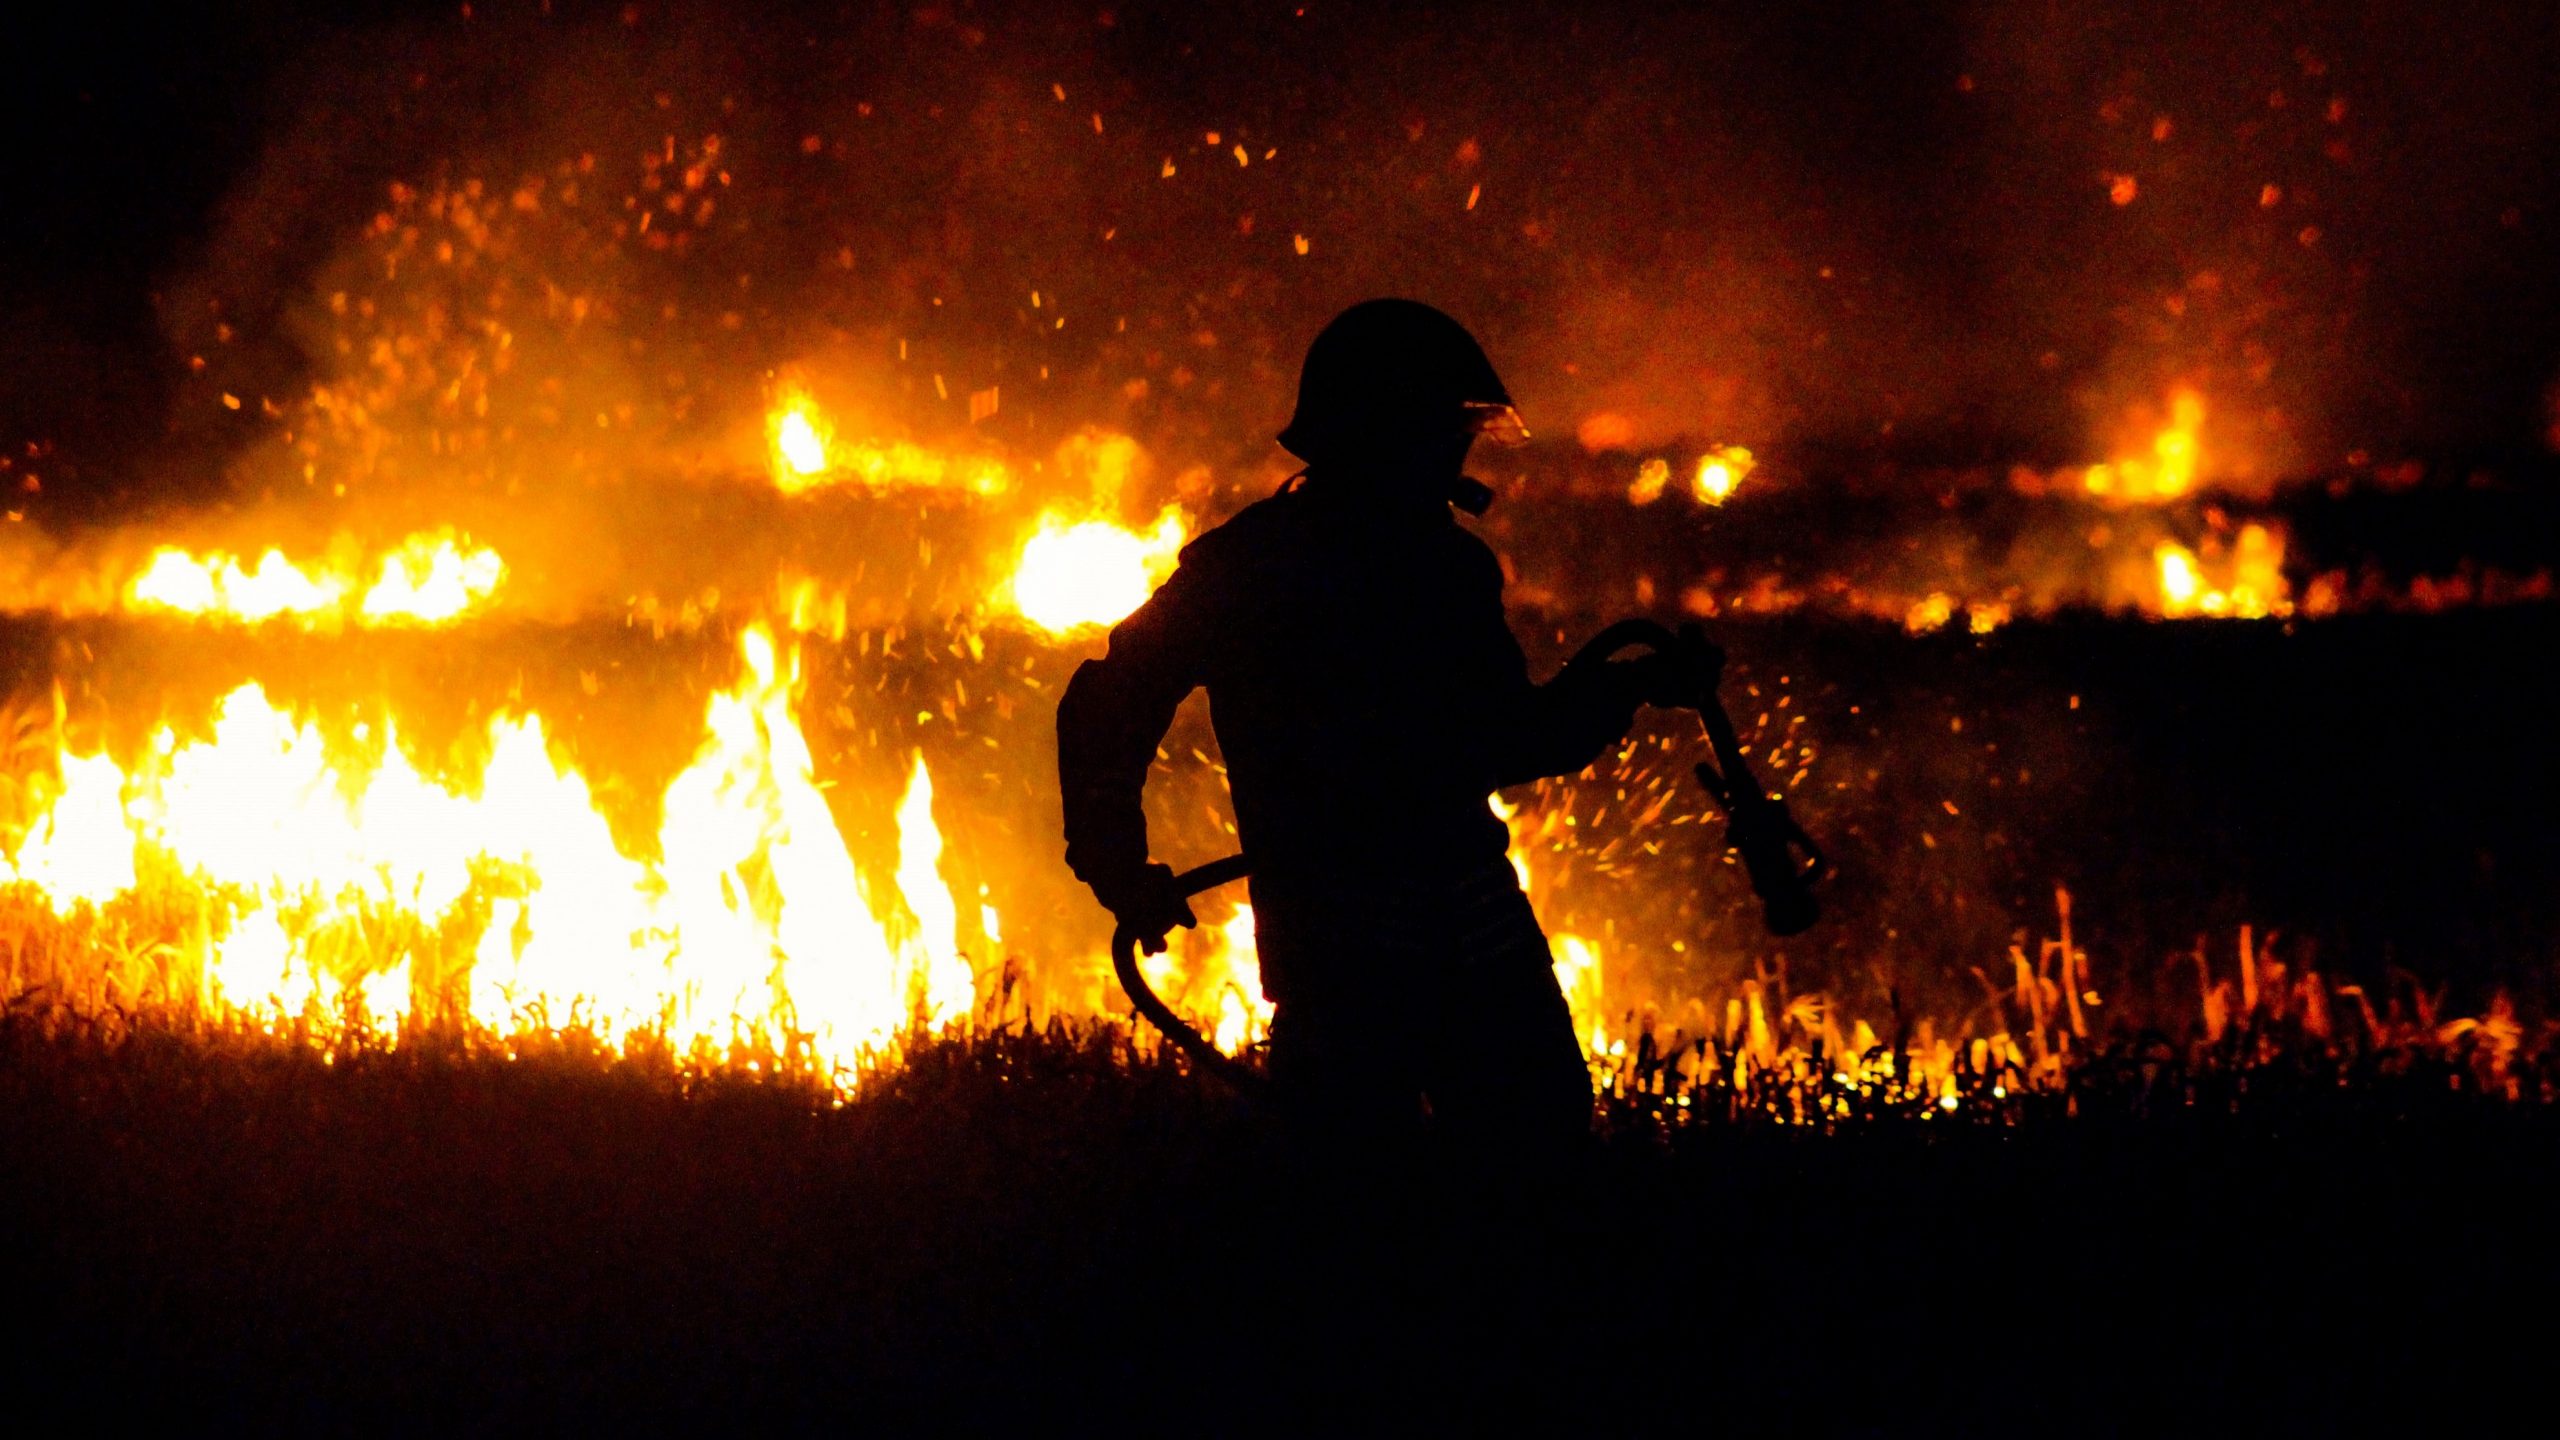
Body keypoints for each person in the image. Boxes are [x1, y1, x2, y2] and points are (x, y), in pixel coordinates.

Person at [1056, 298, 1678, 1153]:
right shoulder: (1409, 569)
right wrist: (1617, 695)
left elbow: (1108, 702)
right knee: (1499, 1177)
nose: (1457, 455)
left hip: (1373, 950)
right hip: (1405, 953)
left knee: (1370, 1189)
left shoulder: (1271, 564)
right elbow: (1507, 740)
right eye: (1443, 432)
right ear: (1386, 433)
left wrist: (1117, 865)